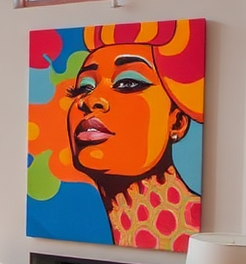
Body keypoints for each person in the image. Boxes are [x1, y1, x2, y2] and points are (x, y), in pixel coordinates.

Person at [64, 20, 204, 251]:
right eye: (83, 88)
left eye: (127, 83)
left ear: (177, 122)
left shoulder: (197, 241)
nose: (90, 100)